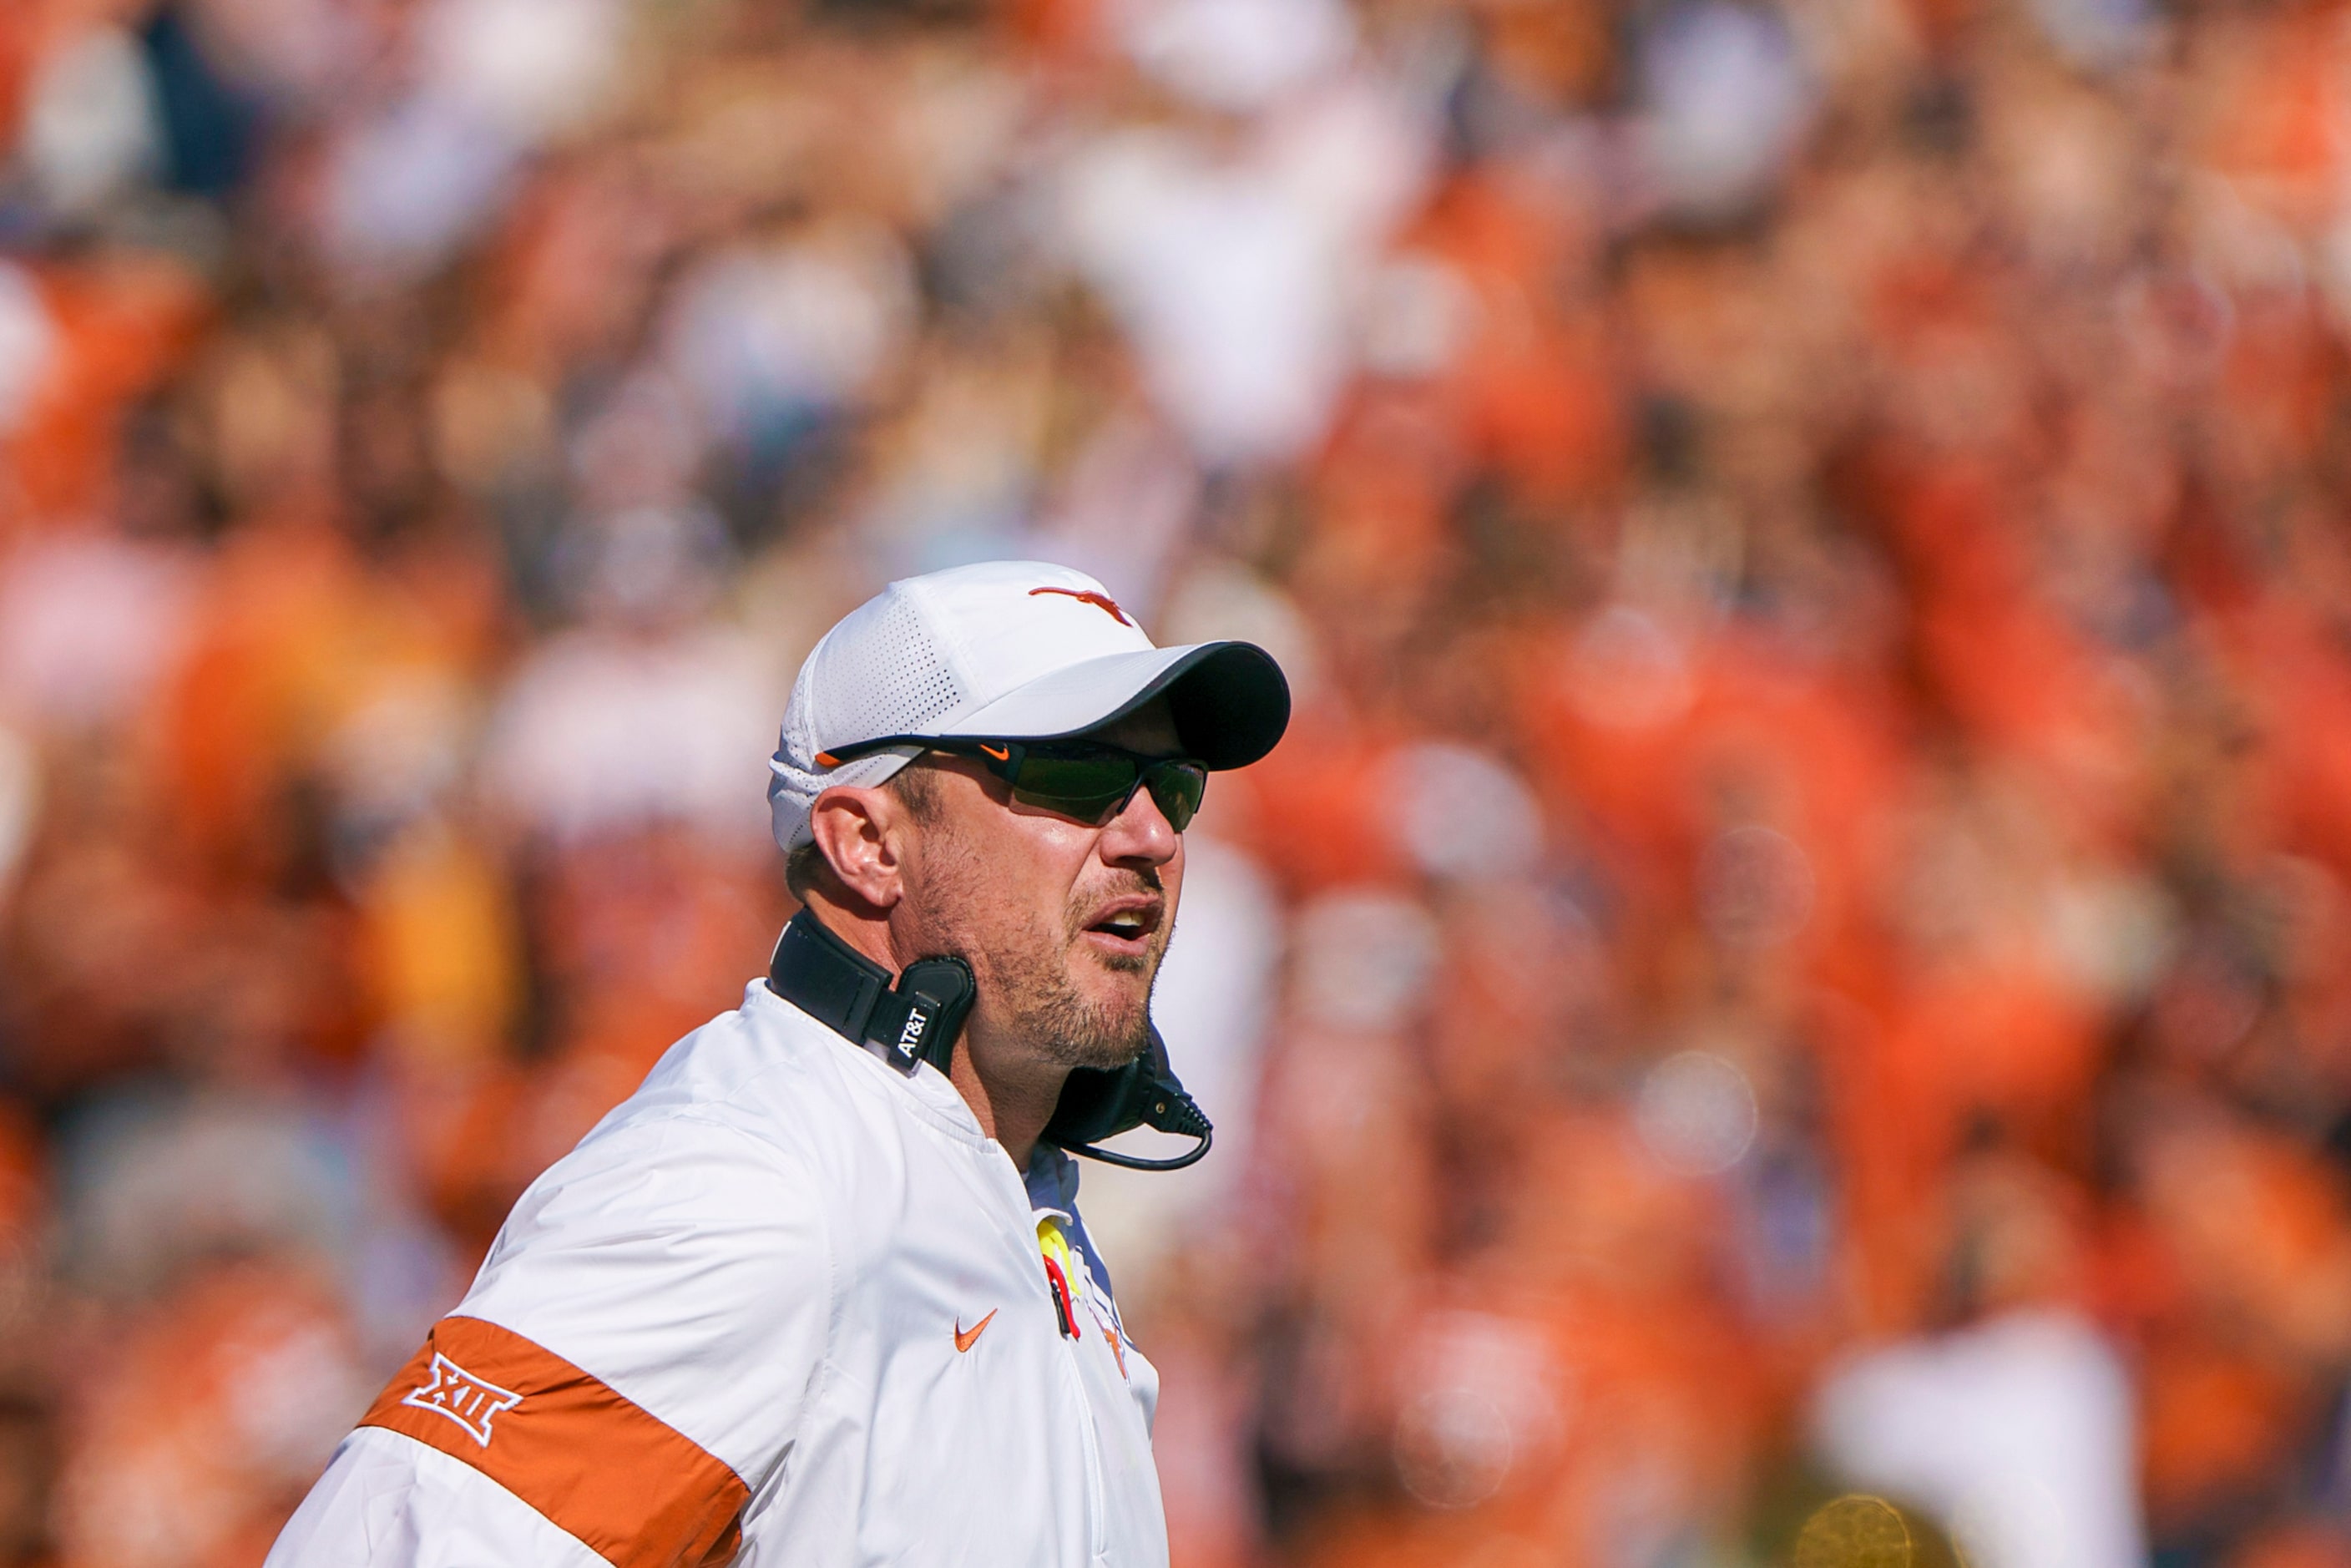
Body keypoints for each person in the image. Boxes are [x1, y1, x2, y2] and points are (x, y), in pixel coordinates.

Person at [264, 559, 1290, 1567]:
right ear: (866, 844)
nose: (1151, 834)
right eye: (1078, 776)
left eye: (1172, 786)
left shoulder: (1011, 1190)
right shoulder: (747, 1185)